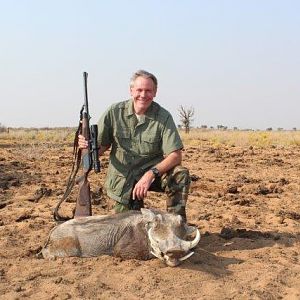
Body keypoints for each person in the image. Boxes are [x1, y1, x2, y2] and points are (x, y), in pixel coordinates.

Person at [78, 70, 190, 221]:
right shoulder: (114, 112)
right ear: (131, 91)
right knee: (127, 227)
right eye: (139, 90)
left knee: (180, 174)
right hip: (123, 180)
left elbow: (175, 155)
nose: (143, 95)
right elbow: (99, 147)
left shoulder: (164, 117)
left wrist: (151, 174)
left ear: (155, 92)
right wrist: (86, 146)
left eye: (148, 91)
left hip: (151, 175)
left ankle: (177, 224)